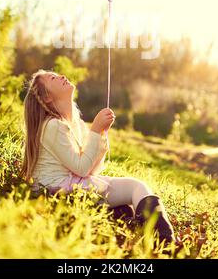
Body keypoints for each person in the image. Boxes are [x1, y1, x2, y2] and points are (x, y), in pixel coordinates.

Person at [20, 69, 175, 246]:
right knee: (136, 187)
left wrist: (100, 133)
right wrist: (95, 130)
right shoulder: (53, 126)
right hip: (58, 192)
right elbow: (81, 169)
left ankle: (137, 234)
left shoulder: (70, 124)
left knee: (124, 207)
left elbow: (91, 169)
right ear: (47, 97)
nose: (62, 76)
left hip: (69, 187)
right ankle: (167, 244)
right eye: (53, 78)